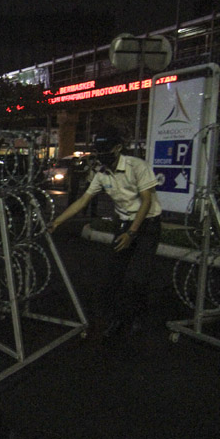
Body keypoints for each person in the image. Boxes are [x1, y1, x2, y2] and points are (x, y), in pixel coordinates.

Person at [47, 129, 163, 339]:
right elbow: (83, 200)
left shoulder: (137, 167)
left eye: (105, 150)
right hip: (124, 225)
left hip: (147, 226)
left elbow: (146, 201)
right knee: (113, 276)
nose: (101, 155)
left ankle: (137, 318)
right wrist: (57, 221)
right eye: (98, 151)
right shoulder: (101, 174)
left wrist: (132, 232)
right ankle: (116, 320)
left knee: (138, 277)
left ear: (118, 148)